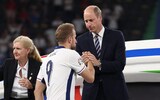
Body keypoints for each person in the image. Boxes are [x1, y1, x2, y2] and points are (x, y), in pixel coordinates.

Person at [76, 5, 129, 100]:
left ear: (100, 18)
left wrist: (99, 63)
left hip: (115, 91)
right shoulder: (81, 40)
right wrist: (84, 64)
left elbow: (120, 64)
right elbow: (79, 69)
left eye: (91, 20)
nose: (88, 24)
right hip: (92, 93)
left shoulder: (116, 36)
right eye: (86, 21)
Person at [34, 23, 95, 100]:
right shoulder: (71, 54)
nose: (76, 41)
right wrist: (89, 60)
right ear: (70, 39)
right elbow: (90, 78)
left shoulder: (47, 59)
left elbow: (37, 91)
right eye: (75, 37)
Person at [0, 35, 42, 100]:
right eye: (14, 48)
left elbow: (45, 88)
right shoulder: (8, 63)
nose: (15, 52)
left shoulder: (37, 66)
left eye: (18, 49)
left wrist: (31, 86)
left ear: (27, 50)